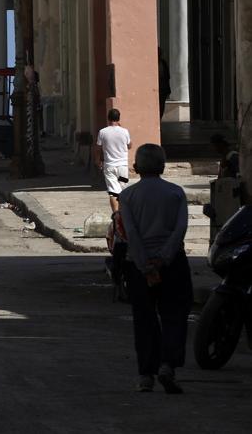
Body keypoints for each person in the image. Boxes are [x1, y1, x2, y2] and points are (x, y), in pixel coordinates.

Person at [118, 144, 190, 394]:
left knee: (144, 319)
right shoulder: (176, 193)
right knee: (174, 315)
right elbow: (180, 230)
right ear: (162, 166)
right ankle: (168, 366)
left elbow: (131, 234)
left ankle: (146, 375)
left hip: (139, 265)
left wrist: (145, 265)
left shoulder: (128, 196)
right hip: (173, 263)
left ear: (136, 168)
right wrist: (163, 259)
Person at [96, 108, 132, 212]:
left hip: (109, 166)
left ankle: (116, 215)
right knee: (123, 189)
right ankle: (123, 213)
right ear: (119, 118)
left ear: (108, 118)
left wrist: (97, 160)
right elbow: (129, 146)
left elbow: (98, 149)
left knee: (113, 191)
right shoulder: (125, 131)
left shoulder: (102, 132)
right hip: (123, 167)